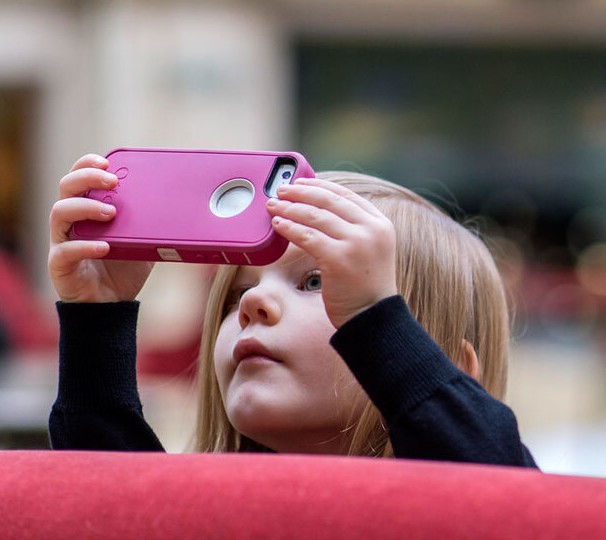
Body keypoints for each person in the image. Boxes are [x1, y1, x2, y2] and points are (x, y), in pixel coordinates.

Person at [46, 154, 535, 467]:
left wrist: (371, 319)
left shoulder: (459, 503)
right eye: (237, 294)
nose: (254, 304)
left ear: (449, 372)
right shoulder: (209, 516)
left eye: (317, 281)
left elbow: (513, 497)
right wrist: (97, 322)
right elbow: (110, 507)